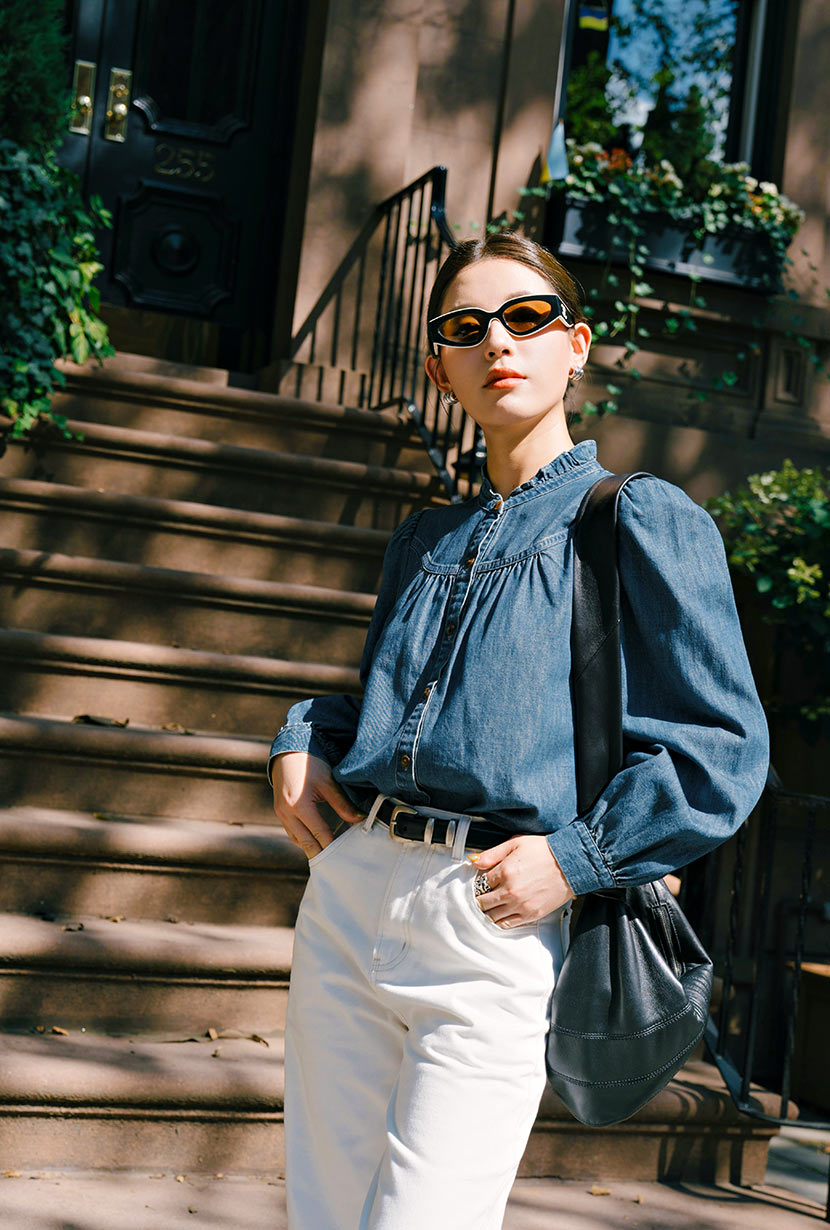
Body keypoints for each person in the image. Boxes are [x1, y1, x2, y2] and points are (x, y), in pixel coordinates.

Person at [268, 232, 769, 1229]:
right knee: (323, 1215)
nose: (497, 340)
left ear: (573, 345)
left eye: (526, 317)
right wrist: (300, 737)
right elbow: (395, 702)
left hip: (492, 914)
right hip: (351, 893)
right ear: (437, 368)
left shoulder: (633, 519)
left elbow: (721, 747)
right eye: (466, 327)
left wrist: (579, 860)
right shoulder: (424, 539)